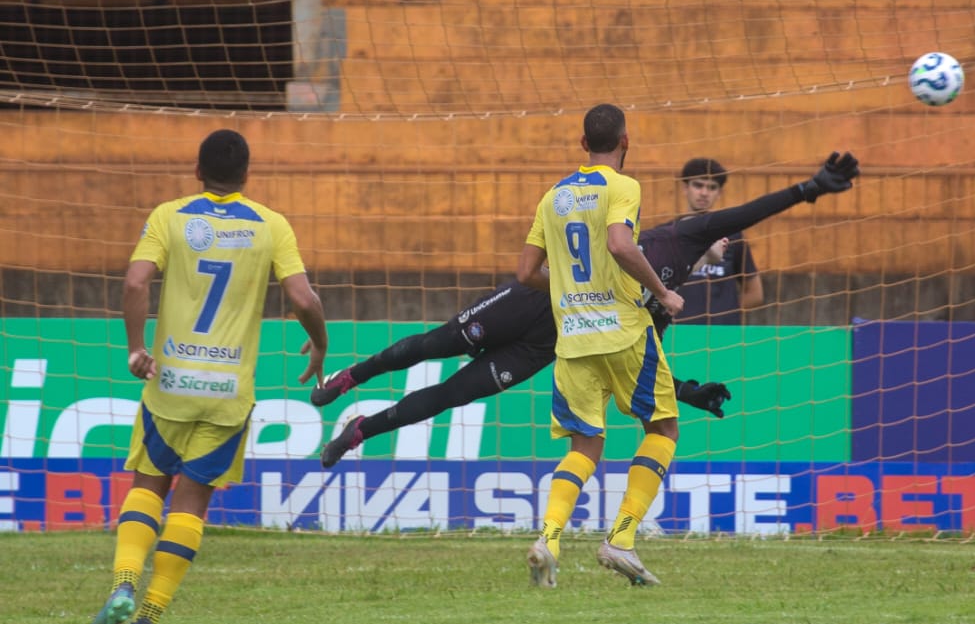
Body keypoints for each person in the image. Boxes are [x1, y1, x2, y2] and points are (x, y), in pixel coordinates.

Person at [309, 151, 861, 473]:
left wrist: (687, 391)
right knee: (432, 345)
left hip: (545, 345)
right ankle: (351, 376)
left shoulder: (663, 296)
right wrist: (808, 189)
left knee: (454, 394)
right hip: (527, 301)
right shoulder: (668, 238)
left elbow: (642, 360)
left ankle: (360, 430)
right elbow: (750, 208)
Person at [83, 129, 328, 624]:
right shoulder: (271, 225)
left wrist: (135, 347)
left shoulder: (170, 216)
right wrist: (320, 343)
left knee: (148, 487)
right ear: (246, 175)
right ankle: (148, 621)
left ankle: (124, 583)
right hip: (227, 395)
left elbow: (133, 282)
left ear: (197, 171)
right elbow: (304, 299)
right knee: (191, 505)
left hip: (170, 384)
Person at [512, 102, 686, 589]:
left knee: (584, 444)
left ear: (583, 145)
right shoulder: (623, 186)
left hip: (573, 339)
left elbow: (525, 272)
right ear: (625, 142)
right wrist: (665, 292)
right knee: (663, 427)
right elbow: (619, 244)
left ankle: (548, 539)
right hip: (624, 330)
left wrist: (567, 287)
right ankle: (622, 539)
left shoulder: (553, 197)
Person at [675, 158, 764, 325]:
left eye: (711, 187)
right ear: (685, 188)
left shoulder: (732, 236)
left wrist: (725, 314)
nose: (704, 192)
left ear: (719, 192)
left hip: (722, 336)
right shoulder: (667, 234)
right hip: (676, 332)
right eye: (698, 185)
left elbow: (755, 293)